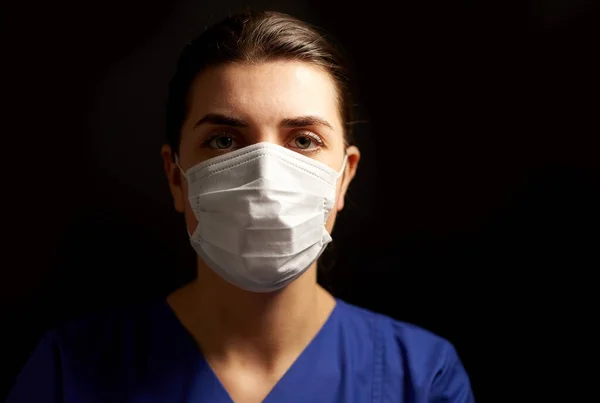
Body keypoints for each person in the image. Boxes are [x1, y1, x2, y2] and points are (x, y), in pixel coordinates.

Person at [5, 11, 474, 403]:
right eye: (225, 140)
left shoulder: (421, 379)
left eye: (304, 140)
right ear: (176, 177)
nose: (266, 177)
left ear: (344, 176)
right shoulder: (69, 373)